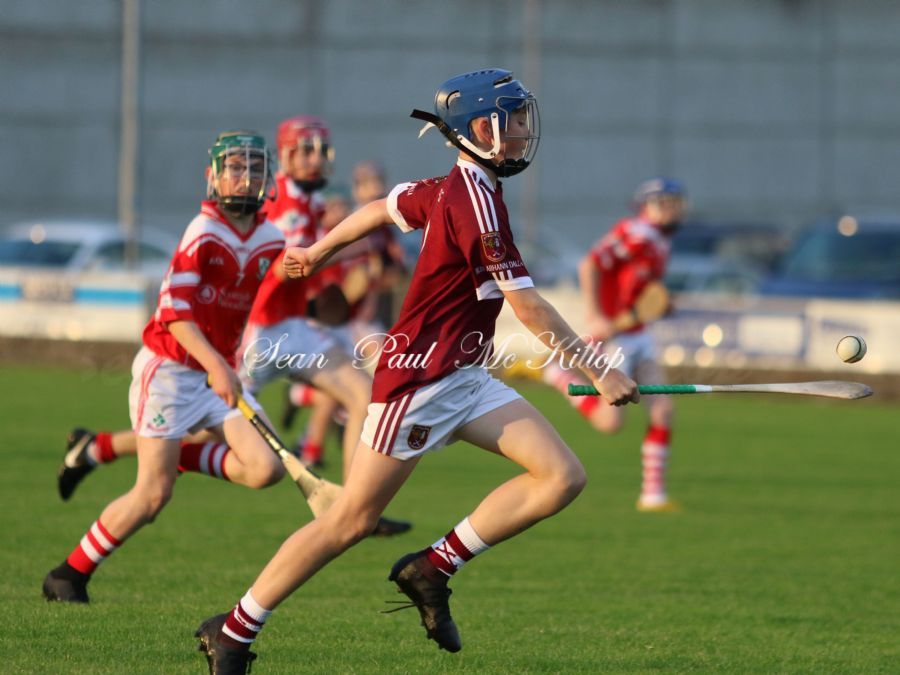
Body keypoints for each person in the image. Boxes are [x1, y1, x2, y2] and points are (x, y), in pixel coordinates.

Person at [194, 68, 639, 673]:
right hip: (419, 386)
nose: (522, 130)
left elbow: (380, 208)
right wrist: (599, 368)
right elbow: (529, 307)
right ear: (480, 129)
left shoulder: (459, 187)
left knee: (561, 477)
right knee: (350, 521)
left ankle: (432, 568)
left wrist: (319, 251)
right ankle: (234, 631)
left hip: (465, 378)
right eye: (512, 120)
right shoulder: (474, 203)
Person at [56, 116, 411, 537]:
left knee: (362, 394)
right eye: (306, 150)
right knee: (198, 432)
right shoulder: (276, 205)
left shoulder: (311, 200)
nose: (316, 159)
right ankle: (98, 448)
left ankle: (353, 508)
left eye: (321, 150)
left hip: (293, 326)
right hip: (258, 333)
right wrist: (339, 249)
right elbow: (281, 269)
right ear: (286, 156)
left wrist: (341, 240)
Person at [42, 131, 287, 603]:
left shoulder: (271, 237)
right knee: (153, 496)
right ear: (213, 176)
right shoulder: (203, 231)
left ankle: (180, 457)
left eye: (255, 169)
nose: (245, 178)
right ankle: (67, 575)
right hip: (171, 373)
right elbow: (174, 313)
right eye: (235, 168)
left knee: (266, 467)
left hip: (216, 373)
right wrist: (218, 366)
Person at [543, 177, 687, 512]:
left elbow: (641, 290)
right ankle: (557, 376)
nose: (675, 210)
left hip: (639, 334)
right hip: (614, 339)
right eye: (668, 203)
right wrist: (595, 315)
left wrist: (658, 305)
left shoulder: (661, 241)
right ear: (650, 205)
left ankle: (653, 495)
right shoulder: (636, 233)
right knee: (610, 423)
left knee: (663, 410)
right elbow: (590, 264)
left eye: (677, 203)